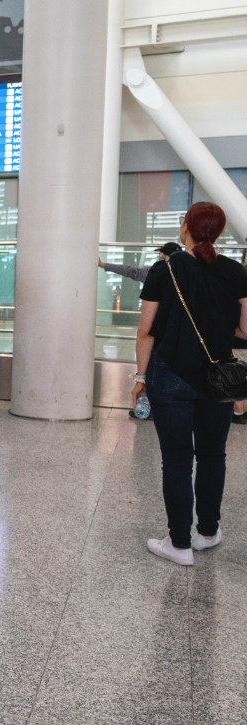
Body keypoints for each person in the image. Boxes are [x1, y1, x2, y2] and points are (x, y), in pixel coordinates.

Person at [131, 202, 247, 566]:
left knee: (177, 462)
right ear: (220, 232)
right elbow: (245, 330)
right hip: (217, 377)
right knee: (213, 456)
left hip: (170, 375)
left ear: (186, 228)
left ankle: (179, 545)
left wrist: (140, 378)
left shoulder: (164, 269)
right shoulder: (235, 272)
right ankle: (207, 533)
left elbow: (146, 332)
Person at [99, 241, 180, 283]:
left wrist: (103, 264)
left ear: (164, 256)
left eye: (159, 255)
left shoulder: (154, 273)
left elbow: (131, 271)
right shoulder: (184, 274)